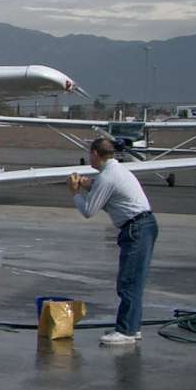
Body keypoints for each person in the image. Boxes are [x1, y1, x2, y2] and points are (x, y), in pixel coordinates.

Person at [68, 137, 158, 345]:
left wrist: (74, 193)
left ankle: (126, 331)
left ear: (95, 154)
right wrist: (86, 185)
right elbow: (106, 192)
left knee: (129, 282)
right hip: (143, 225)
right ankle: (131, 327)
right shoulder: (115, 171)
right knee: (134, 280)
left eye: (90, 153)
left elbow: (89, 210)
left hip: (137, 228)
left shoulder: (108, 177)